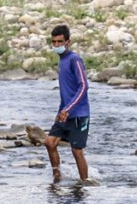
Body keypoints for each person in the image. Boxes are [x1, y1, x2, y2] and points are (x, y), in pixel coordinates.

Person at [44, 24, 90, 184]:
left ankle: (85, 183)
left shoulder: (74, 59)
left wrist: (69, 109)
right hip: (64, 113)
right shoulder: (62, 60)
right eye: (54, 42)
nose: (57, 45)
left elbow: (83, 86)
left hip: (78, 114)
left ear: (68, 42)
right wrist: (62, 111)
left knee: (77, 151)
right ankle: (57, 178)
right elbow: (66, 90)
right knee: (50, 143)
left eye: (60, 42)